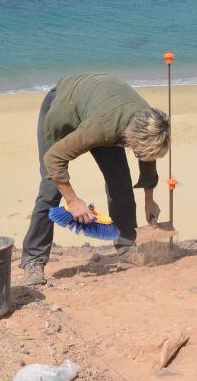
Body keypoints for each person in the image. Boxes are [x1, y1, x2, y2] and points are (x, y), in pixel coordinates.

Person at [21, 74, 171, 285]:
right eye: (137, 150)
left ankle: (126, 247)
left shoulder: (149, 123)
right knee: (51, 189)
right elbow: (53, 159)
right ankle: (33, 261)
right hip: (62, 109)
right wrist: (73, 201)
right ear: (131, 138)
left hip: (100, 108)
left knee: (120, 183)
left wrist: (149, 200)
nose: (139, 154)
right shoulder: (102, 128)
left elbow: (147, 157)